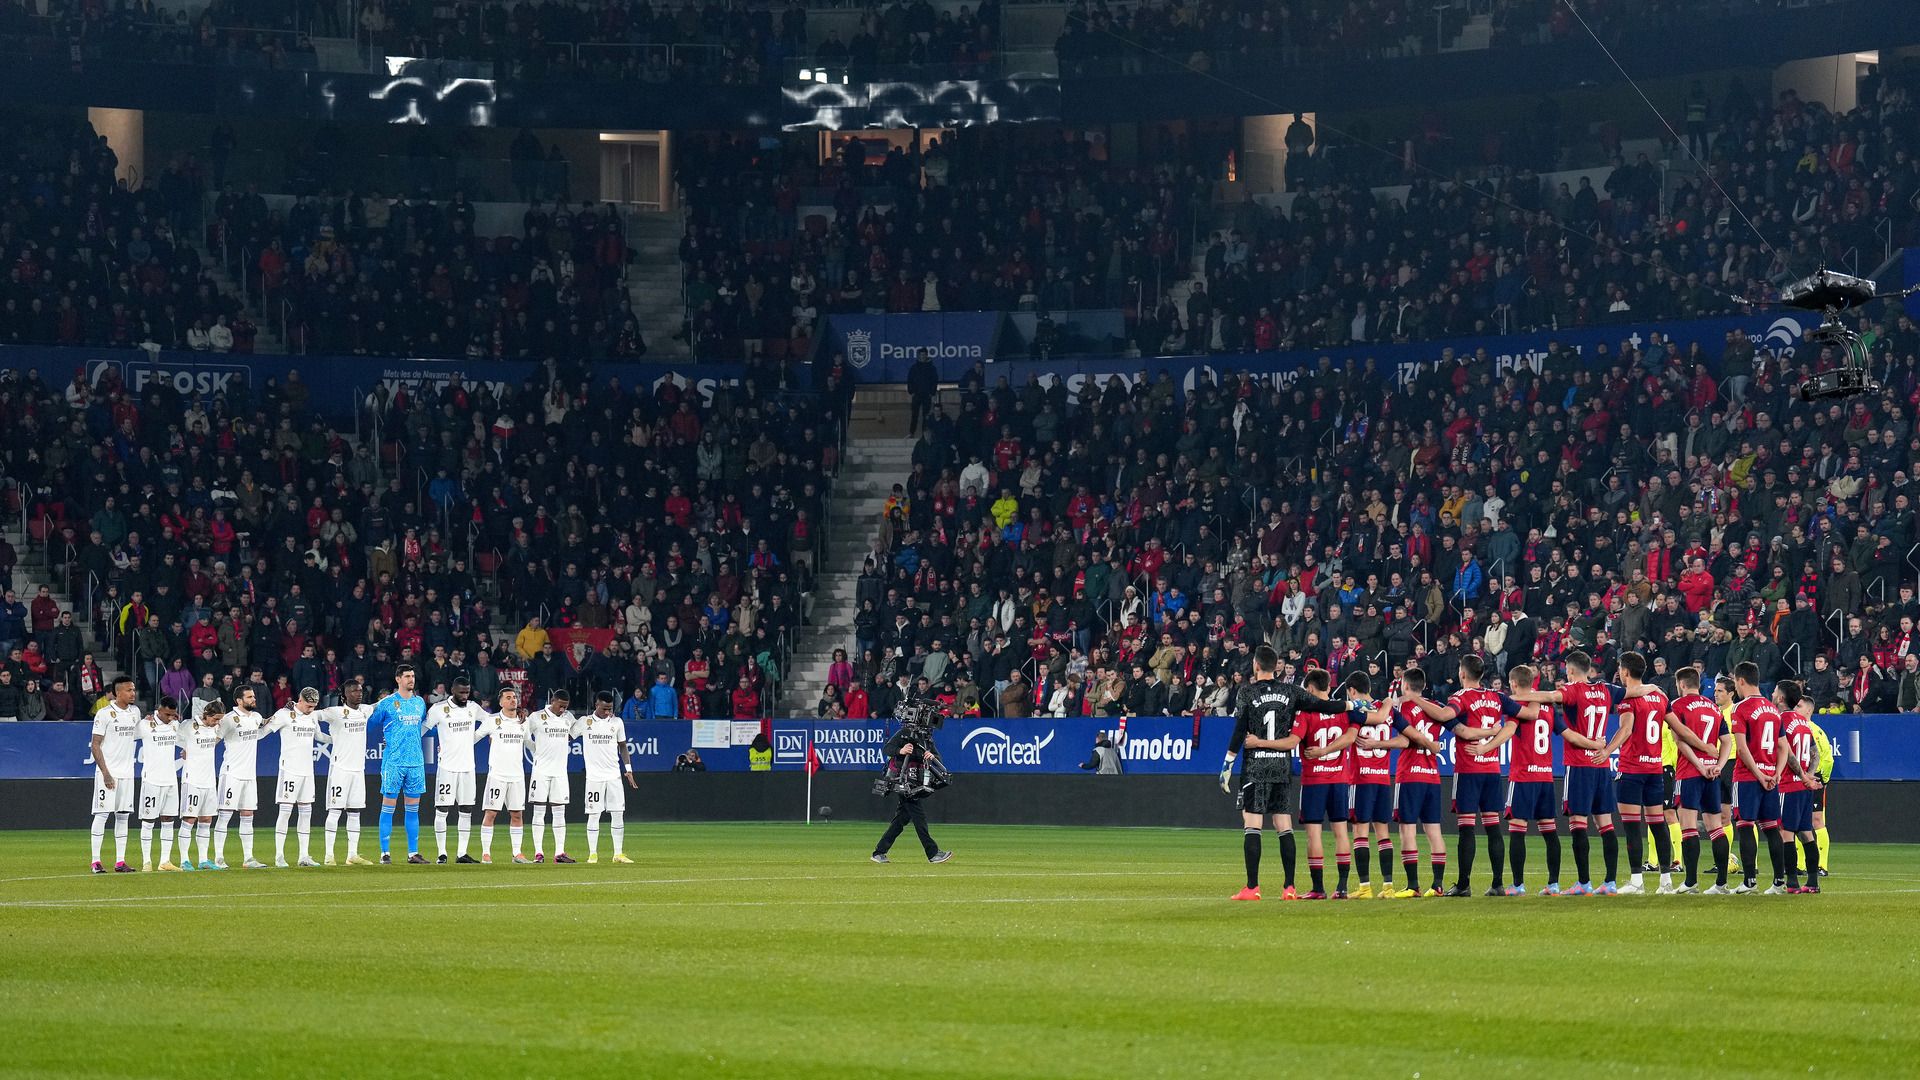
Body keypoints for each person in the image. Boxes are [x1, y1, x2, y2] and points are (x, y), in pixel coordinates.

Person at [1219, 644, 1366, 901]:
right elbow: (1325, 706)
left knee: (1252, 824)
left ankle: (1252, 887)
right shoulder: (1291, 691)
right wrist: (1353, 705)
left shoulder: (1246, 692)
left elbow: (1240, 729)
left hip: (1257, 766)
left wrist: (1228, 764)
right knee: (1283, 825)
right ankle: (1289, 887)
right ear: (1276, 666)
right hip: (1281, 767)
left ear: (1255, 665)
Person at [1512, 650, 1627, 895]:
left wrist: (1522, 694)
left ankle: (1584, 882)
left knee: (1578, 824)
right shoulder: (1606, 689)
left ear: (1571, 670)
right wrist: (1653, 689)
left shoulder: (1573, 690)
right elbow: (1633, 691)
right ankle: (1610, 882)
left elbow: (1553, 695)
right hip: (1601, 765)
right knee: (1606, 824)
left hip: (1579, 765)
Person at [1478, 665, 1599, 895]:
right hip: (1545, 776)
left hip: (1523, 776)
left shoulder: (1517, 706)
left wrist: (1487, 747)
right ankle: (1553, 884)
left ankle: (1517, 885)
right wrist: (1595, 745)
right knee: (1550, 831)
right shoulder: (1549, 707)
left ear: (1513, 684)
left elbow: (1509, 730)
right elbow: (1570, 735)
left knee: (1517, 829)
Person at [1415, 654, 1528, 896]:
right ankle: (1497, 883)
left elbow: (1445, 716)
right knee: (1493, 828)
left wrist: (1416, 699)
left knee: (1466, 828)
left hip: (1468, 769)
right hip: (1492, 770)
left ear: (1462, 673)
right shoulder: (1497, 697)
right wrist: (1493, 740)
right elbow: (1523, 716)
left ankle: (1464, 884)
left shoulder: (1461, 697)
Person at [1384, 667, 1492, 898]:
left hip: (1410, 775)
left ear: (1404, 685)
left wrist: (1377, 745)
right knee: (1434, 832)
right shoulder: (1437, 708)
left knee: (1407, 831)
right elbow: (1463, 731)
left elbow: (1404, 741)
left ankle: (1413, 885)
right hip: (1432, 777)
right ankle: (1438, 885)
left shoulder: (1401, 707)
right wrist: (1491, 730)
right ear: (1423, 686)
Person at [1294, 669, 1379, 899]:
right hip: (1340, 780)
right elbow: (1354, 735)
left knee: (1314, 834)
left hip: (1314, 781)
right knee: (1341, 833)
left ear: (1310, 689)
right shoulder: (1344, 709)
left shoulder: (1305, 712)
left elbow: (1295, 739)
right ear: (1329, 688)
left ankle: (1318, 888)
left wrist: (1320, 750)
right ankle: (1342, 887)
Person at [1604, 652, 1674, 894]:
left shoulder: (1627, 699)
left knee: (1633, 826)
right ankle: (1666, 881)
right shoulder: (1659, 696)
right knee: (1658, 824)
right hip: (1655, 768)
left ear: (1624, 672)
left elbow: (1625, 729)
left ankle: (1637, 881)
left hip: (1632, 769)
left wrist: (1606, 751)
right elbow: (1676, 727)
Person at [1665, 669, 1733, 893]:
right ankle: (1721, 883)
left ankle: (1690, 882)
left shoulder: (1678, 705)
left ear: (1681, 684)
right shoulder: (1714, 708)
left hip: (1689, 772)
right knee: (1716, 828)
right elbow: (1727, 742)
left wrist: (1699, 764)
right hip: (1712, 774)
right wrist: (1718, 767)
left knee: (1689, 828)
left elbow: (1679, 740)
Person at [1729, 661, 1788, 894]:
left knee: (1745, 826)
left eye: (1735, 681)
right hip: (1770, 777)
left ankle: (1749, 882)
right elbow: (1783, 747)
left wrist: (1759, 775)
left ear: (1741, 681)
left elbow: (1742, 749)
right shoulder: (1773, 709)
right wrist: (1776, 774)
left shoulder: (1740, 708)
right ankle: (1778, 882)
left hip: (1747, 776)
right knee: (1772, 829)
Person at [367, 664, 429, 865]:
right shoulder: (387, 703)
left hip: (416, 763)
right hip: (394, 762)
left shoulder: (420, 703)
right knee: (388, 807)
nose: (411, 679)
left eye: (412, 676)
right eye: (407, 676)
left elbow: (424, 727)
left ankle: (413, 853)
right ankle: (384, 853)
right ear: (398, 679)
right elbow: (369, 724)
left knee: (413, 810)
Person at [870, 718, 953, 865]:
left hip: (916, 783)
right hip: (903, 781)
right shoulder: (905, 733)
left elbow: (938, 757)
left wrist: (932, 757)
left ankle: (879, 852)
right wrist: (900, 751)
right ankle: (933, 853)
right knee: (919, 818)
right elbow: (887, 749)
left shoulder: (926, 739)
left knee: (900, 821)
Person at [1347, 677, 1399, 899]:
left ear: (1352, 690)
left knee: (1360, 832)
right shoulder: (1387, 711)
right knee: (1383, 833)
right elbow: (1406, 740)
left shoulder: (1355, 711)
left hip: (1361, 780)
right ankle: (1388, 887)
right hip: (1382, 780)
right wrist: (1388, 703)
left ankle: (1365, 887)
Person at [425, 677, 486, 864]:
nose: (464, 696)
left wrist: (473, 738)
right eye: (461, 692)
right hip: (447, 768)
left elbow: (491, 722)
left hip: (468, 768)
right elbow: (422, 729)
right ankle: (442, 853)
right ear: (453, 690)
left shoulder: (473, 708)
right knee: (442, 810)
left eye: (467, 692)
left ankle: (461, 853)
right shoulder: (438, 710)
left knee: (466, 810)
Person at [574, 691, 638, 864]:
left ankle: (618, 853)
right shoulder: (584, 722)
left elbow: (623, 747)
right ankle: (592, 854)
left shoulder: (617, 722)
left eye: (610, 709)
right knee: (594, 815)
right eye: (605, 709)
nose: (608, 712)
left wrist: (628, 770)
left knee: (618, 814)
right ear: (596, 705)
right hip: (594, 778)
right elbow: (567, 733)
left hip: (614, 776)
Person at [263, 687, 324, 868]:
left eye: (314, 707)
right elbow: (264, 731)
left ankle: (304, 856)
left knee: (306, 813)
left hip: (307, 772)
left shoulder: (312, 717)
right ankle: (279, 856)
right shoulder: (284, 714)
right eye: (308, 705)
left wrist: (340, 739)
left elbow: (320, 737)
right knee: (285, 812)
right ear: (300, 699)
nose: (311, 709)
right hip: (289, 771)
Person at [88, 676, 142, 873]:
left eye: (134, 690)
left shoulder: (135, 712)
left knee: (123, 817)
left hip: (127, 773)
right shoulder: (104, 714)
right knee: (102, 815)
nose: (133, 693)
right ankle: (96, 861)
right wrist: (105, 773)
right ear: (118, 692)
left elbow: (138, 735)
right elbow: (95, 744)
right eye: (129, 690)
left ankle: (120, 861)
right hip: (108, 774)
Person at [1774, 681, 1823, 894]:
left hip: (1788, 785)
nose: (1773, 694)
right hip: (1804, 788)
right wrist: (1809, 776)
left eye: (1776, 691)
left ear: (1781, 698)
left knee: (1786, 833)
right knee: (1806, 833)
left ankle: (1791, 881)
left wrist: (1803, 775)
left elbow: (1788, 754)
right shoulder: (1803, 722)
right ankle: (1812, 882)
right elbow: (1815, 754)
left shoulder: (1780, 720)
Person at [319, 681, 375, 866]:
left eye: (360, 690)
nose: (358, 694)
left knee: (355, 812)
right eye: (354, 691)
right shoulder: (335, 712)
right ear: (344, 695)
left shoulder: (365, 711)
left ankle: (352, 855)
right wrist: (295, 708)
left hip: (358, 770)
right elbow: (313, 715)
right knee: (334, 812)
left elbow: (378, 705)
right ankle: (328, 855)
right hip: (340, 770)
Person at [214, 685, 269, 869]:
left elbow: (260, 731)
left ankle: (248, 858)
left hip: (249, 776)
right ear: (239, 701)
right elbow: (214, 739)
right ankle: (219, 858)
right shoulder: (229, 719)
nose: (254, 699)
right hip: (231, 774)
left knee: (248, 815)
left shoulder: (256, 717)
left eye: (253, 696)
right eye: (249, 697)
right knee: (225, 815)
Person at [476, 686, 532, 864]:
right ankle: (486, 853)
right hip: (497, 775)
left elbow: (530, 743)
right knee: (491, 813)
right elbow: (474, 737)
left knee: (517, 815)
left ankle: (517, 853)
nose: (512, 700)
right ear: (500, 702)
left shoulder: (524, 722)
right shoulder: (492, 721)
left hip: (517, 776)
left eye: (514, 697)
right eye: (508, 697)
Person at [135, 696, 186, 872]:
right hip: (152, 780)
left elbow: (183, 740)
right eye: (167, 714)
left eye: (173, 714)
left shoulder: (175, 725)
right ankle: (146, 861)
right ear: (159, 710)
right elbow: (127, 736)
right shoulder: (145, 725)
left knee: (168, 820)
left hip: (171, 780)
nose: (171, 717)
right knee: (148, 821)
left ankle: (165, 861)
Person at [529, 689, 577, 863]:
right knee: (539, 811)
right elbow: (524, 733)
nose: (563, 709)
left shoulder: (568, 718)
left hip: (560, 772)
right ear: (553, 701)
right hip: (541, 770)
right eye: (560, 706)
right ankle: (539, 853)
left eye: (565, 707)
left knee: (559, 812)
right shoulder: (537, 716)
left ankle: (559, 853)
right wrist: (535, 748)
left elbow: (574, 733)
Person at [180, 704, 224, 869]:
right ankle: (184, 860)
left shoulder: (215, 728)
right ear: (207, 714)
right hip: (192, 780)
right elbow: (172, 734)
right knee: (190, 819)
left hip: (209, 781)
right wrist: (185, 748)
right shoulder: (189, 726)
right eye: (215, 719)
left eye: (220, 719)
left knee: (206, 819)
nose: (217, 723)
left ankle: (203, 860)